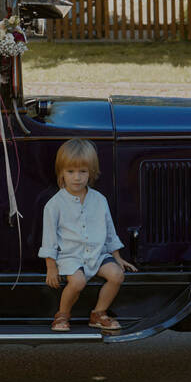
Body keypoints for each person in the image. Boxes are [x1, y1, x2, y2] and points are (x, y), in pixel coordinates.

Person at [38, 138, 137, 332]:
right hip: (71, 256)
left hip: (97, 255)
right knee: (78, 281)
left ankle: (99, 313)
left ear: (90, 172)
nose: (77, 178)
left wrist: (117, 257)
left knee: (117, 275)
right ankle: (62, 315)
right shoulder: (54, 204)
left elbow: (109, 232)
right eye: (71, 172)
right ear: (61, 173)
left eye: (82, 171)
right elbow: (49, 238)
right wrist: (51, 266)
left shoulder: (99, 200)